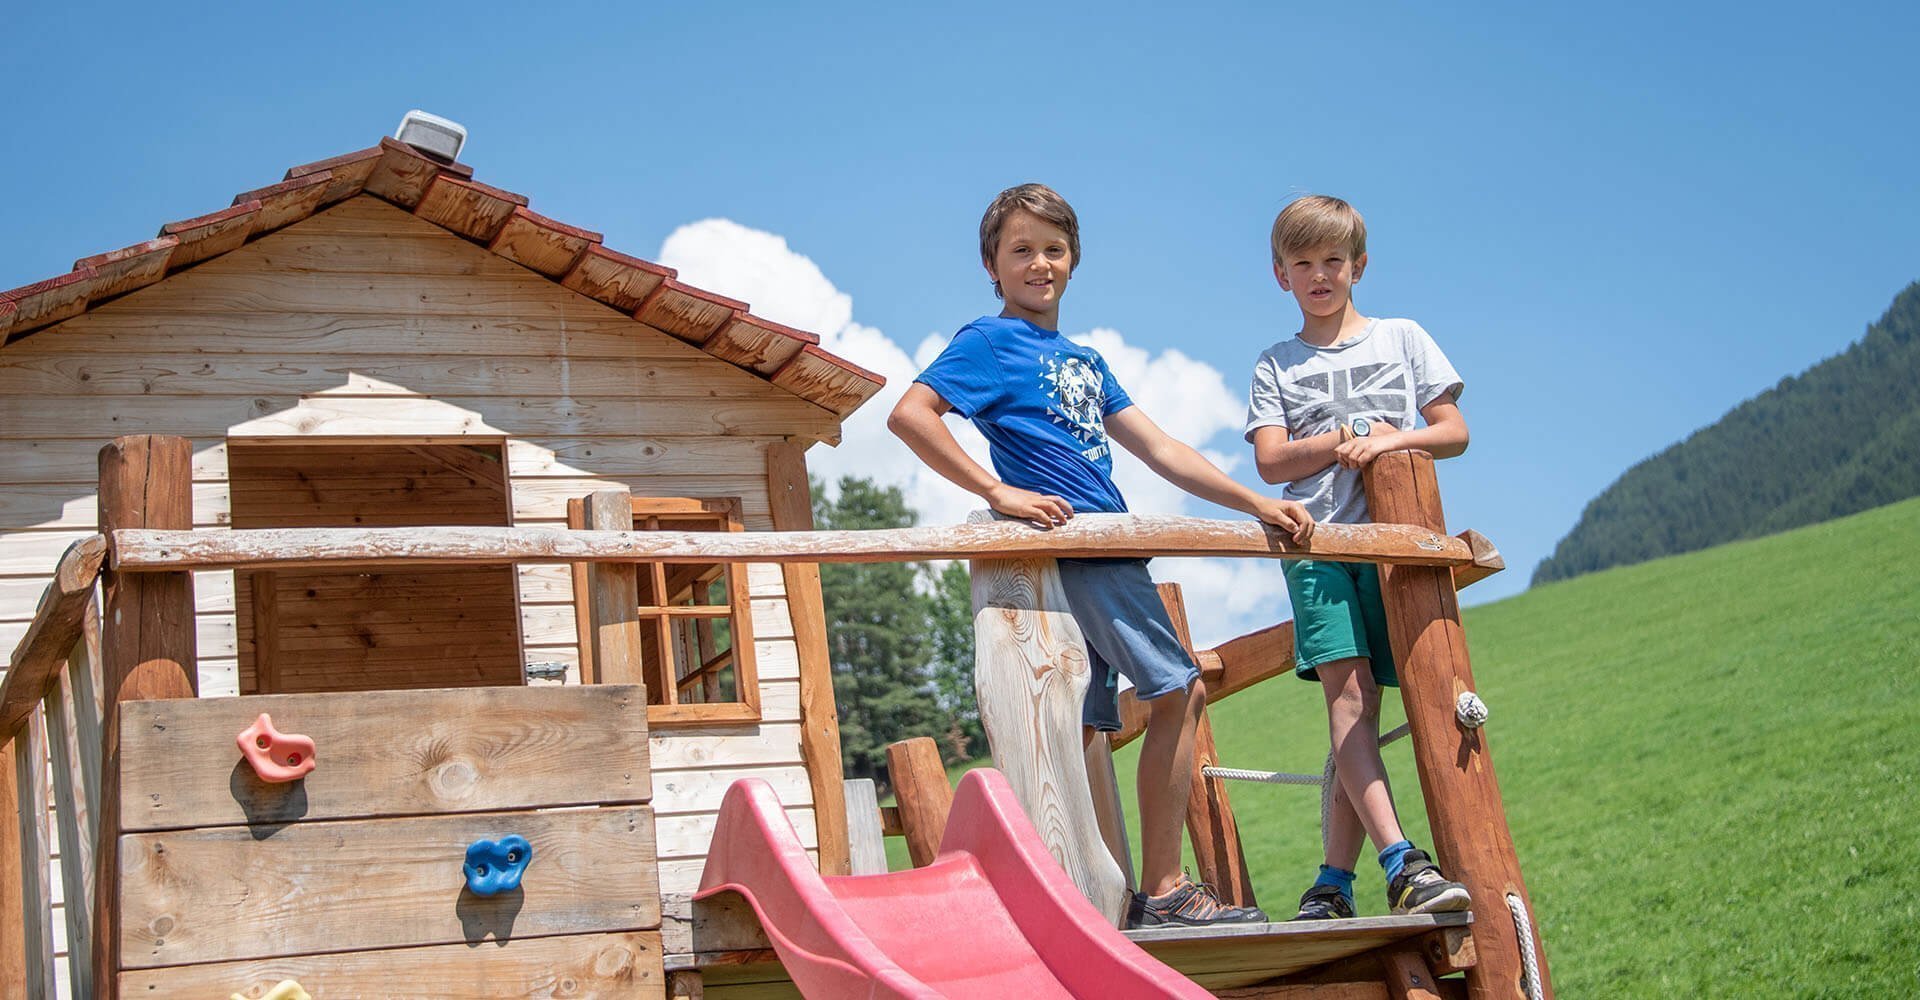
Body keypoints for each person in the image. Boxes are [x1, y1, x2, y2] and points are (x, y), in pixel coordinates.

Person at [889, 183, 1314, 927]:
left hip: (1109, 544)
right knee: (1179, 692)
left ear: (1074, 260)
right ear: (992, 265)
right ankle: (1168, 885)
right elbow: (910, 413)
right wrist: (1000, 490)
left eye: (1053, 249)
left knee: (1082, 730)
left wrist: (1254, 502)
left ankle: (1077, 899)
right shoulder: (989, 342)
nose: (1039, 263)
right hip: (1078, 549)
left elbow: (1158, 448)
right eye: (1020, 250)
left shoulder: (1084, 360)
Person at [1246, 194, 1475, 919]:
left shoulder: (1403, 338)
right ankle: (1402, 862)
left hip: (1395, 548)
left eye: (1333, 262)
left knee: (1364, 715)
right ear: (1280, 275)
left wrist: (1386, 439)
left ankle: (1331, 884)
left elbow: (1453, 430)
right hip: (1316, 545)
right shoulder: (1275, 363)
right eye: (1303, 263)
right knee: (1347, 701)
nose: (1320, 276)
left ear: (1359, 267)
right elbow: (1272, 463)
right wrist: (1342, 432)